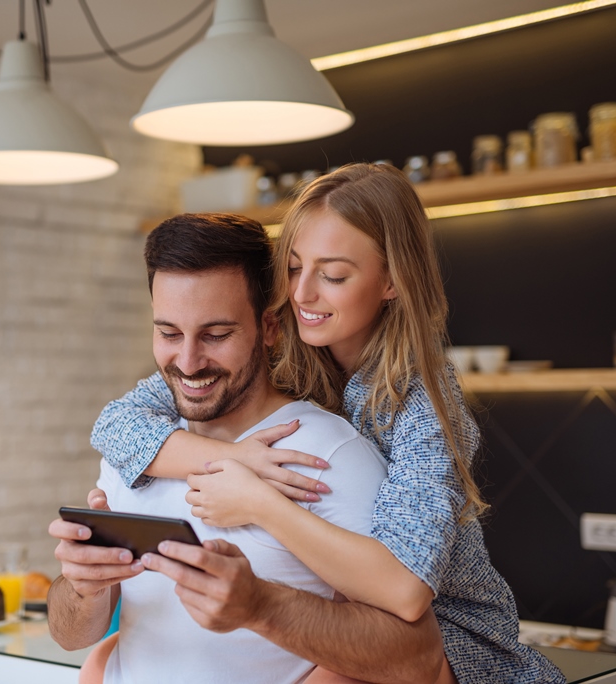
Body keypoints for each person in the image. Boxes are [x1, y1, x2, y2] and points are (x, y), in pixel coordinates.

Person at [89, 164, 565, 683]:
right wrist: (233, 458)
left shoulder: (424, 402)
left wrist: (260, 502)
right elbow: (117, 423)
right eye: (293, 269)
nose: (303, 295)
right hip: (344, 607)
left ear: (392, 281)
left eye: (333, 275)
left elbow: (406, 590)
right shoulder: (275, 347)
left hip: (444, 634)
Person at [48, 213, 449, 684]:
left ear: (270, 327)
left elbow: (415, 659)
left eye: (217, 335)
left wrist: (259, 605)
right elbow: (70, 635)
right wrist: (83, 589)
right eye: (169, 333)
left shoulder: (328, 455)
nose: (189, 361)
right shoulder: (142, 446)